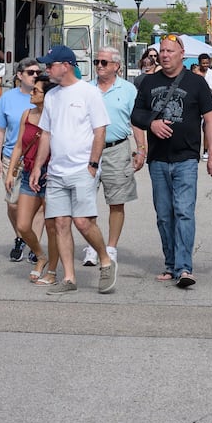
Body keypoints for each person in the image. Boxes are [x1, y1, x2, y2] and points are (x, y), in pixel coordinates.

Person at [130, 34, 212, 288]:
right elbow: (136, 114)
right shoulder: (148, 83)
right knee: (164, 215)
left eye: (170, 51)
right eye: (162, 51)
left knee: (183, 212)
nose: (165, 55)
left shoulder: (196, 83)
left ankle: (184, 268)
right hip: (158, 159)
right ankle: (170, 264)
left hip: (186, 157)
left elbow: (210, 120)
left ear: (182, 54)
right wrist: (152, 123)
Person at [31, 44, 117, 295]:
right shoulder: (52, 96)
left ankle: (105, 260)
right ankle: (69, 277)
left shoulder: (88, 93)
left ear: (65, 66)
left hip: (82, 168)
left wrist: (92, 163)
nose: (47, 69)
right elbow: (46, 133)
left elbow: (100, 129)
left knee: (83, 222)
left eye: (50, 64)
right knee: (60, 224)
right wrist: (38, 166)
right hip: (57, 170)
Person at [81, 47, 142, 268]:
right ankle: (92, 245)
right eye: (97, 61)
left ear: (117, 66)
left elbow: (136, 121)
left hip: (118, 149)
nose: (99, 65)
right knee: (86, 200)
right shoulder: (86, 88)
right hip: (88, 150)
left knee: (116, 201)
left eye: (104, 62)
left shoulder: (128, 90)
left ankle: (111, 247)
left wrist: (141, 149)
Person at [6, 74, 57, 284]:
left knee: (53, 226)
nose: (31, 93)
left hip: (51, 174)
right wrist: (11, 172)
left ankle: (51, 270)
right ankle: (40, 254)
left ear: (47, 96)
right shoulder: (27, 114)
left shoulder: (56, 117)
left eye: (36, 90)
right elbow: (18, 145)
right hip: (28, 173)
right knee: (23, 225)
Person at [0, 57, 40, 263]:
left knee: (37, 204)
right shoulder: (7, 98)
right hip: (11, 156)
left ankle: (34, 244)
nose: (35, 76)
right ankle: (21, 237)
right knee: (13, 204)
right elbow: (0, 132)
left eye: (37, 72)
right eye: (31, 72)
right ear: (20, 75)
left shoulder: (43, 96)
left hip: (37, 157)